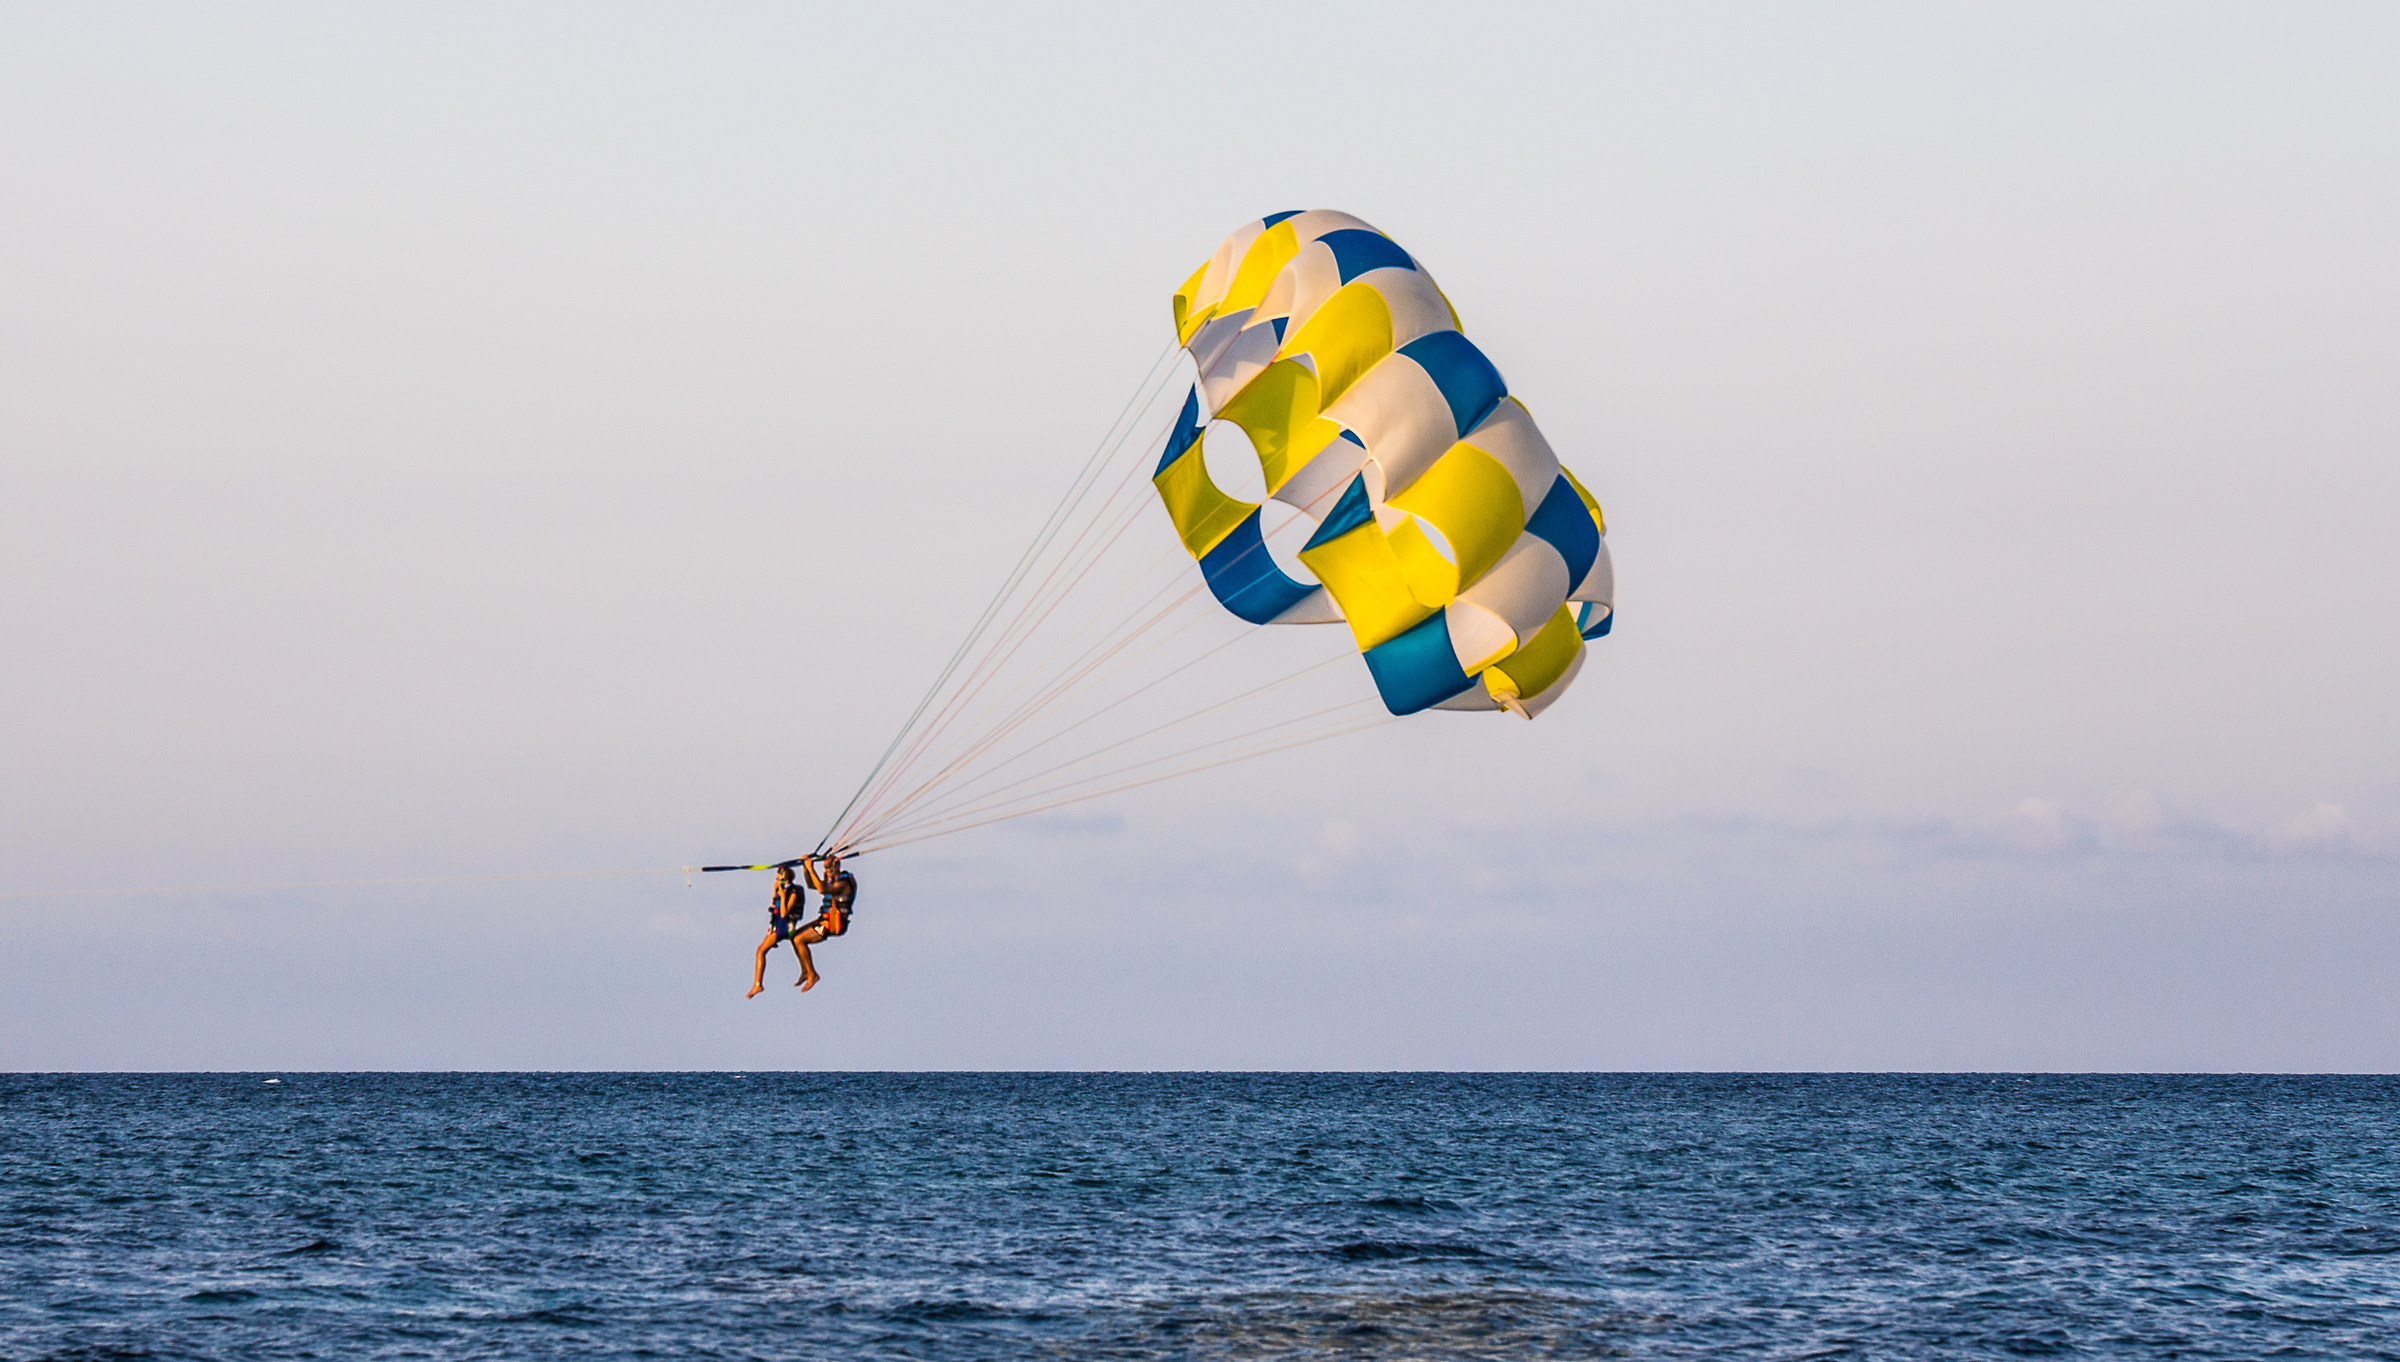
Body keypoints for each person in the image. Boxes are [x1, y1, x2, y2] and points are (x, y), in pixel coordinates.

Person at [745, 864, 809, 999]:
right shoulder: (780, 888)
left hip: (786, 926)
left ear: (784, 878)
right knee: (761, 950)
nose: (776, 879)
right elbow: (774, 905)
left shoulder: (793, 892)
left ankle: (758, 984)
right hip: (776, 924)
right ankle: (805, 971)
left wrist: (782, 895)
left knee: (761, 950)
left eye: (778, 877)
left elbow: (785, 912)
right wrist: (775, 892)